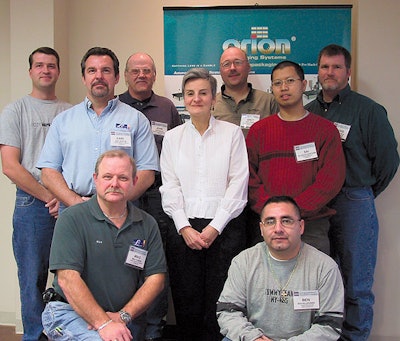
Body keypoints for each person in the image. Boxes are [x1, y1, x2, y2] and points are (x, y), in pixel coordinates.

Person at [305, 44, 399, 341]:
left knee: (356, 281)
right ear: (317, 72)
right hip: (317, 203)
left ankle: (355, 337)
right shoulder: (307, 113)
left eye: (336, 67)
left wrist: (363, 193)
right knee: (318, 278)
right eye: (324, 67)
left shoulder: (368, 110)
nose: (329, 72)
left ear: (348, 72)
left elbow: (387, 161)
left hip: (353, 201)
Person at [159, 68, 249, 341]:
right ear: (183, 99)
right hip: (183, 229)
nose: (196, 98)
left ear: (213, 98)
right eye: (189, 93)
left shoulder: (232, 134)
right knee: (187, 300)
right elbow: (170, 185)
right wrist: (184, 227)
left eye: (202, 93)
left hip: (224, 229)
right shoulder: (173, 138)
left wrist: (214, 227)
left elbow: (238, 182)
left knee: (221, 300)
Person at [41, 150, 166, 341]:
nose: (114, 184)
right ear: (95, 179)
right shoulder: (72, 219)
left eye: (123, 178)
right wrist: (104, 323)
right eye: (108, 176)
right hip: (67, 313)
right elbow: (68, 279)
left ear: (134, 181)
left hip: (121, 318)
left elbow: (155, 279)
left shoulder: (147, 224)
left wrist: (122, 316)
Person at [0, 47, 72, 341]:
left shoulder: (70, 112)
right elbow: (10, 166)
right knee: (32, 280)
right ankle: (33, 336)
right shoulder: (15, 110)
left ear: (58, 71)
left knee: (69, 276)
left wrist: (63, 197)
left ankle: (65, 334)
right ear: (30, 71)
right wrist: (49, 195)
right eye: (39, 65)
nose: (45, 70)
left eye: (51, 65)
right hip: (33, 204)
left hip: (68, 204)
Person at [37, 47, 159, 210]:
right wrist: (76, 203)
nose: (99, 76)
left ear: (116, 77)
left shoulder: (136, 120)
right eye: (92, 70)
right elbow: (48, 171)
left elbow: (147, 173)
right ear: (84, 77)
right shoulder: (63, 121)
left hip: (121, 208)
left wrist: (112, 203)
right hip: (73, 208)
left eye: (106, 70)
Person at [246, 61, 346, 253]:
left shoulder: (325, 130)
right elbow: (249, 177)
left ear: (304, 85)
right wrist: (273, 214)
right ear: (272, 89)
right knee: (267, 282)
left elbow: (330, 180)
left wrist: (292, 213)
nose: (284, 87)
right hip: (267, 225)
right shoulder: (259, 131)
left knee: (313, 282)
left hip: (311, 226)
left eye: (290, 81)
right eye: (277, 83)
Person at [217, 195, 344, 341]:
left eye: (286, 221)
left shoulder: (325, 267)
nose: (278, 229)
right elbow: (227, 311)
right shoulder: (243, 262)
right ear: (261, 228)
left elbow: (330, 324)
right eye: (270, 222)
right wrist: (254, 338)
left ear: (301, 226)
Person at [119, 52, 182, 341]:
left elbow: (181, 149)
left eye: (147, 70)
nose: (141, 75)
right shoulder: (114, 106)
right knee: (125, 260)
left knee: (157, 260)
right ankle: (127, 326)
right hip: (124, 196)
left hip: (157, 196)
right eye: (136, 70)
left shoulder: (167, 107)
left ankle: (155, 330)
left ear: (155, 75)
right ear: (126, 75)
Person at [211, 46, 279, 136]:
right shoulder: (210, 104)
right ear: (220, 70)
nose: (232, 68)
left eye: (238, 62)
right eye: (226, 64)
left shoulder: (268, 101)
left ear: (248, 67)